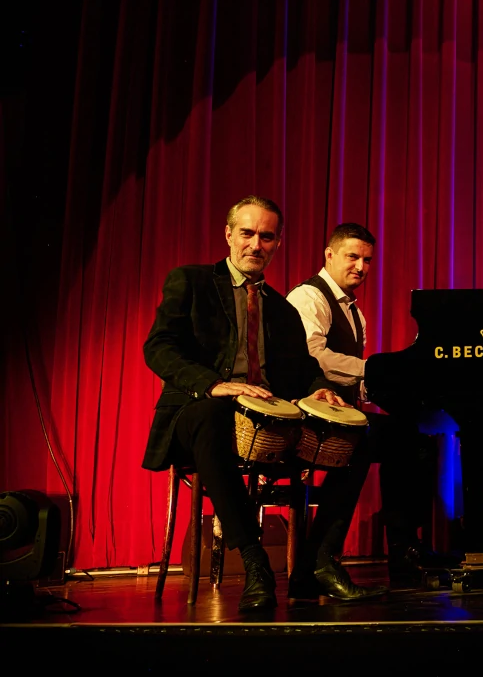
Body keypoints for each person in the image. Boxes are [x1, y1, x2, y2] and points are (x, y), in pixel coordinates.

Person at [142, 196, 386, 611]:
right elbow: (159, 348)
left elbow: (303, 369)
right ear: (228, 234)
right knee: (214, 416)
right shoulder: (192, 281)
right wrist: (215, 385)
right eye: (248, 233)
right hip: (198, 410)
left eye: (267, 236)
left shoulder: (281, 308)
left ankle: (316, 564)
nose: (256, 244)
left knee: (362, 433)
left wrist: (318, 388)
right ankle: (255, 563)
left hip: (268, 422)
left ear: (277, 243)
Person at [286, 222, 441, 587]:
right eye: (352, 256)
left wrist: (392, 387)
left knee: (413, 439)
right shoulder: (309, 297)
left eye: (367, 259)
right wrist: (376, 369)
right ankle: (318, 562)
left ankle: (404, 554)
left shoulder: (356, 312)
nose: (361, 266)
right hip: (305, 416)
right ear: (329, 255)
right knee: (369, 440)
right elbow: (313, 357)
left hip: (340, 414)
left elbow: (359, 383)